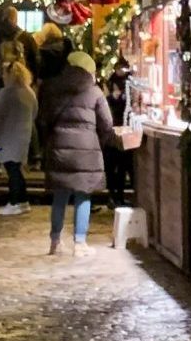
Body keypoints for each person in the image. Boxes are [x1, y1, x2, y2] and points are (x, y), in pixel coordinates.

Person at [37, 47, 120, 256]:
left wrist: (50, 142)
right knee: (83, 195)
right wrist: (97, 142)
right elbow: (107, 124)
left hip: (59, 148)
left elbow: (43, 120)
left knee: (60, 195)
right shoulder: (95, 91)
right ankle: (80, 243)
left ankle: (55, 241)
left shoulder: (51, 87)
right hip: (86, 150)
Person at [0, 56, 36, 217]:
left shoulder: (7, 93)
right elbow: (34, 113)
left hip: (6, 137)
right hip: (23, 136)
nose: (2, 76)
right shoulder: (29, 92)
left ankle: (13, 202)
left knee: (11, 169)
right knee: (16, 168)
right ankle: (23, 201)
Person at [102, 66, 135, 211]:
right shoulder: (126, 99)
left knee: (114, 168)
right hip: (122, 135)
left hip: (112, 135)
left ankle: (114, 196)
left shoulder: (109, 99)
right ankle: (117, 197)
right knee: (120, 167)